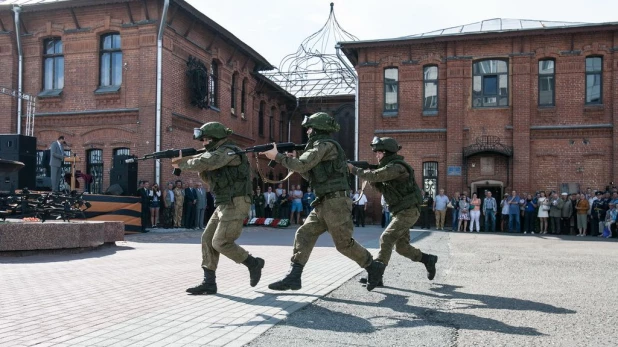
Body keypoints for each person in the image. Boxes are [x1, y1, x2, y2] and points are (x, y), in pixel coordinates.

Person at [261, 112, 386, 291]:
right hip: (323, 202)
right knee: (304, 234)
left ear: (318, 129)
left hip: (335, 203)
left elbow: (303, 166)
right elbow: (309, 175)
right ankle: (294, 276)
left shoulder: (325, 145)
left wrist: (278, 157)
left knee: (343, 244)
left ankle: (374, 268)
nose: (308, 131)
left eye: (310, 128)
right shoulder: (321, 147)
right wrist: (292, 160)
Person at [172, 121, 264, 295]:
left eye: (207, 139)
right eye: (203, 140)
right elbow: (210, 180)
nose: (204, 143)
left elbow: (210, 160)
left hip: (236, 202)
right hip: (223, 202)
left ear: (217, 138)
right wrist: (197, 167)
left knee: (220, 242)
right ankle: (209, 282)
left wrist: (182, 163)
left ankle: (253, 263)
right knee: (207, 238)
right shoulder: (215, 154)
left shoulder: (229, 151)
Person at [347, 136, 438, 284]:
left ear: (387, 153)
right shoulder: (387, 169)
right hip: (400, 211)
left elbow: (378, 175)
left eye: (379, 152)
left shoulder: (397, 167)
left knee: (387, 238)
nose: (376, 155)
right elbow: (381, 186)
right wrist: (370, 178)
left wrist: (354, 170)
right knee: (402, 248)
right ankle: (428, 260)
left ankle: (377, 275)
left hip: (409, 210)